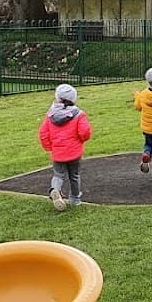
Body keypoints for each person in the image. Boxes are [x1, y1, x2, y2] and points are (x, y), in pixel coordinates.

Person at [38, 83, 92, 211]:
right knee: (74, 175)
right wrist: (82, 140)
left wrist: (49, 147)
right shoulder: (79, 114)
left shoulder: (51, 115)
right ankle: (75, 198)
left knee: (58, 175)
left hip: (58, 152)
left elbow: (43, 132)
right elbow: (84, 132)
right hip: (74, 152)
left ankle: (55, 190)